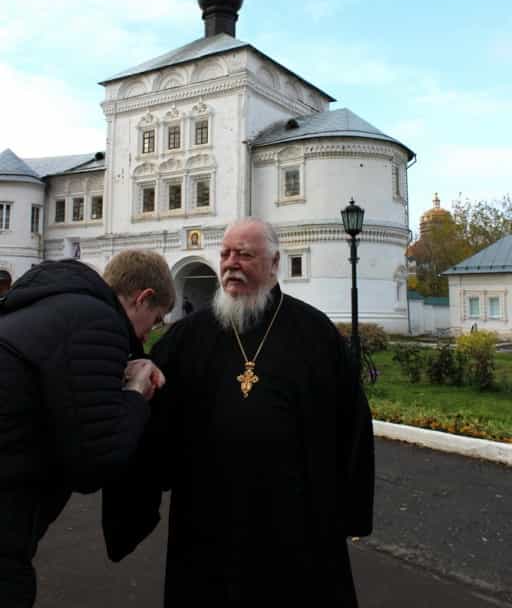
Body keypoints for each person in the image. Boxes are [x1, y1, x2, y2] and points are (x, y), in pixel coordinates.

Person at [103, 218, 374, 607]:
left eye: (245, 255)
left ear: (275, 263)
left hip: (296, 520)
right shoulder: (187, 337)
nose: (231, 264)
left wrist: (349, 511)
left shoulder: (314, 334)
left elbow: (351, 425)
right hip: (207, 518)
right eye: (226, 254)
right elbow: (152, 418)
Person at [0, 249, 174, 608]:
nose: (146, 336)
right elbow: (97, 460)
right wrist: (136, 392)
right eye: (154, 321)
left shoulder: (43, 304)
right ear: (144, 299)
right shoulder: (98, 321)